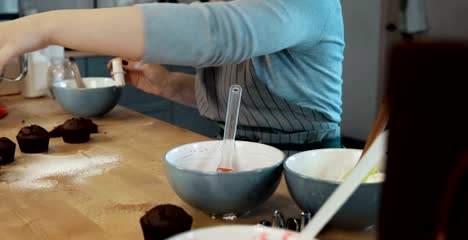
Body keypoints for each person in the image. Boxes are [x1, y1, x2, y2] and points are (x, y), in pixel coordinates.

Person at [0, 0, 344, 155]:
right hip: (234, 165)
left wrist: (39, 28)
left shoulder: (308, 2)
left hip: (304, 174)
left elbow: (217, 35)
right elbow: (240, 99)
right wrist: (166, 84)